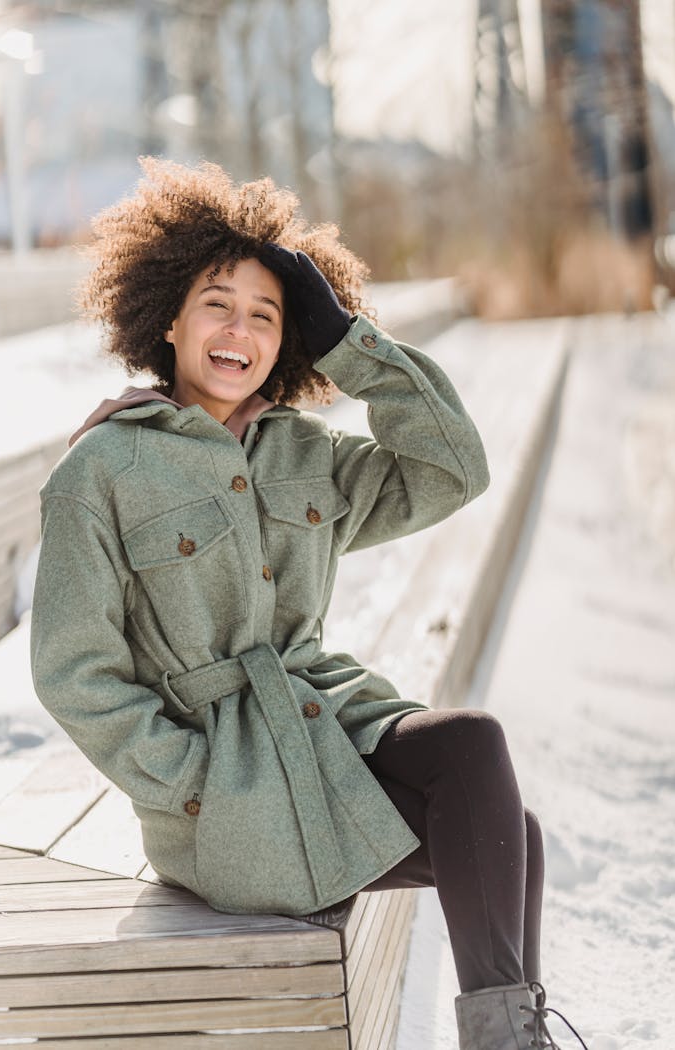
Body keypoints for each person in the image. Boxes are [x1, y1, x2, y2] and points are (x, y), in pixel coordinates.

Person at [31, 157, 587, 1050]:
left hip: (321, 733)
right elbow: (74, 673)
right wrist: (195, 788)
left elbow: (453, 470)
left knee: (501, 819)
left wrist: (350, 340)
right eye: (217, 303)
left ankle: (508, 1039)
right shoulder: (102, 472)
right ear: (167, 317)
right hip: (227, 796)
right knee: (484, 789)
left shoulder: (304, 455)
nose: (238, 330)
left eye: (268, 315)